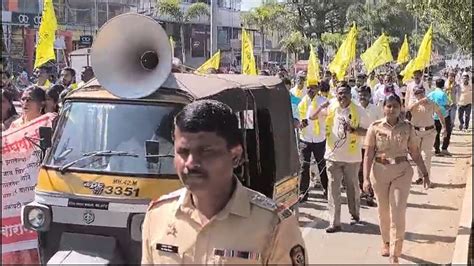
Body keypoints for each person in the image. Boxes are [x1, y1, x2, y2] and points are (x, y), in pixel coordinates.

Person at [142, 100, 306, 264]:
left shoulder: (274, 225)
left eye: (206, 152)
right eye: (183, 152)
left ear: (235, 156)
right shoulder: (157, 216)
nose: (191, 163)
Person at [363, 93, 430, 264]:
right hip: (379, 171)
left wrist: (424, 173)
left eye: (395, 106)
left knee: (398, 212)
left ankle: (395, 251)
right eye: (388, 106)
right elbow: (369, 154)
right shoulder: (375, 127)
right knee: (383, 212)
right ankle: (385, 241)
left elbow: (414, 151)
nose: (391, 109)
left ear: (401, 108)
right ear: (383, 108)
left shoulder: (407, 127)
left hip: (402, 171)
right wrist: (365, 178)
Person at [324, 83, 370, 233]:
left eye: (345, 93)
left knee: (352, 188)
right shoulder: (331, 107)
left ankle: (355, 214)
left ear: (350, 95)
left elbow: (368, 132)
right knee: (333, 190)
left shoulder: (359, 111)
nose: (341, 96)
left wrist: (354, 130)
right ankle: (334, 222)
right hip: (332, 155)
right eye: (339, 93)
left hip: (352, 158)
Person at [407, 85, 447, 183]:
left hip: (429, 131)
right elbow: (409, 109)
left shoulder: (431, 103)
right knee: (417, 155)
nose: (419, 95)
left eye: (421, 92)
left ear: (424, 92)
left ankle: (427, 177)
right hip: (416, 132)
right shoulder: (413, 102)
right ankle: (420, 176)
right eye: (416, 93)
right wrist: (419, 102)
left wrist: (444, 127)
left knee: (427, 155)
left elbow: (440, 114)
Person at [298, 83, 329, 201]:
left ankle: (326, 189)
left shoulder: (324, 102)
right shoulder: (302, 102)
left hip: (319, 138)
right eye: (309, 87)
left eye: (313, 87)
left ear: (318, 89)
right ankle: (303, 193)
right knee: (303, 166)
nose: (310, 90)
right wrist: (300, 124)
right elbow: (297, 117)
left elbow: (327, 117)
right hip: (304, 138)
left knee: (322, 165)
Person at [356, 85, 383, 206]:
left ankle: (370, 194)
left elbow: (380, 127)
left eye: (365, 95)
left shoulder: (376, 110)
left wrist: (366, 132)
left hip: (372, 146)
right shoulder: (355, 109)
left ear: (369, 96)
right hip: (357, 145)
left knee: (371, 170)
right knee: (360, 170)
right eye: (360, 95)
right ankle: (363, 191)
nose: (362, 97)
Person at [428, 78, 452, 156]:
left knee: (436, 133)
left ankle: (437, 150)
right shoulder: (443, 94)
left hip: (434, 116)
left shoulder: (431, 94)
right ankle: (444, 148)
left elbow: (427, 103)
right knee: (447, 131)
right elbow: (447, 105)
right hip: (444, 115)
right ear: (443, 85)